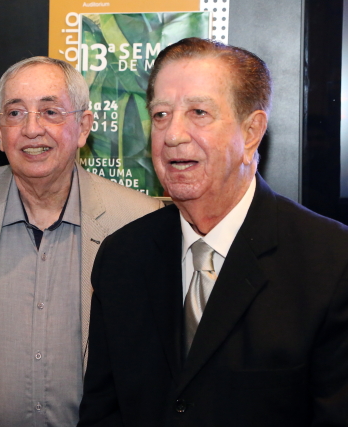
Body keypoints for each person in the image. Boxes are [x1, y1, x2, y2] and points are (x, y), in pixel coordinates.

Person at [78, 37, 348, 426]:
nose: (172, 135)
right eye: (160, 115)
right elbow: (103, 412)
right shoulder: (121, 256)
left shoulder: (331, 261)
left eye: (199, 112)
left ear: (251, 132)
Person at [0, 56, 163, 427]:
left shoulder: (137, 219)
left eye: (50, 112)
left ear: (83, 126)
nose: (32, 129)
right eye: (15, 114)